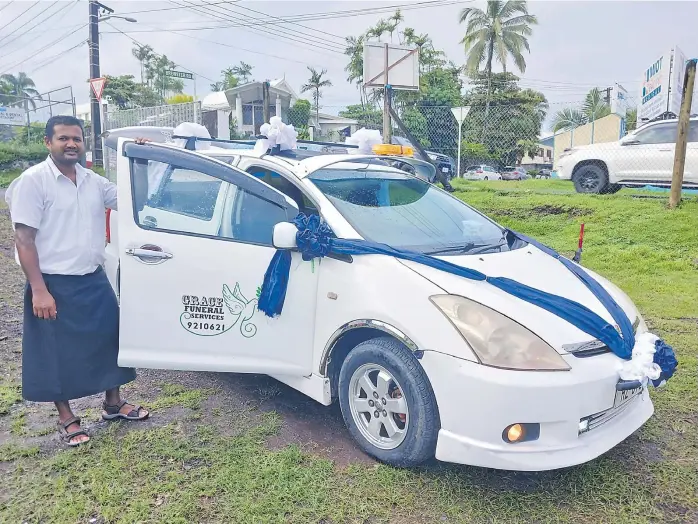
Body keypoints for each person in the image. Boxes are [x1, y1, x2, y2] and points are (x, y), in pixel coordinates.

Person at [5, 115, 150, 447]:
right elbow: (24, 240)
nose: (71, 144)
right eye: (63, 138)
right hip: (53, 281)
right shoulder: (34, 181)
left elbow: (130, 201)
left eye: (76, 138)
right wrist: (39, 291)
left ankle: (113, 404)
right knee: (55, 351)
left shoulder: (92, 181)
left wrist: (139, 162)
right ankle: (67, 418)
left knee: (108, 339)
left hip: (91, 277)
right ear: (48, 142)